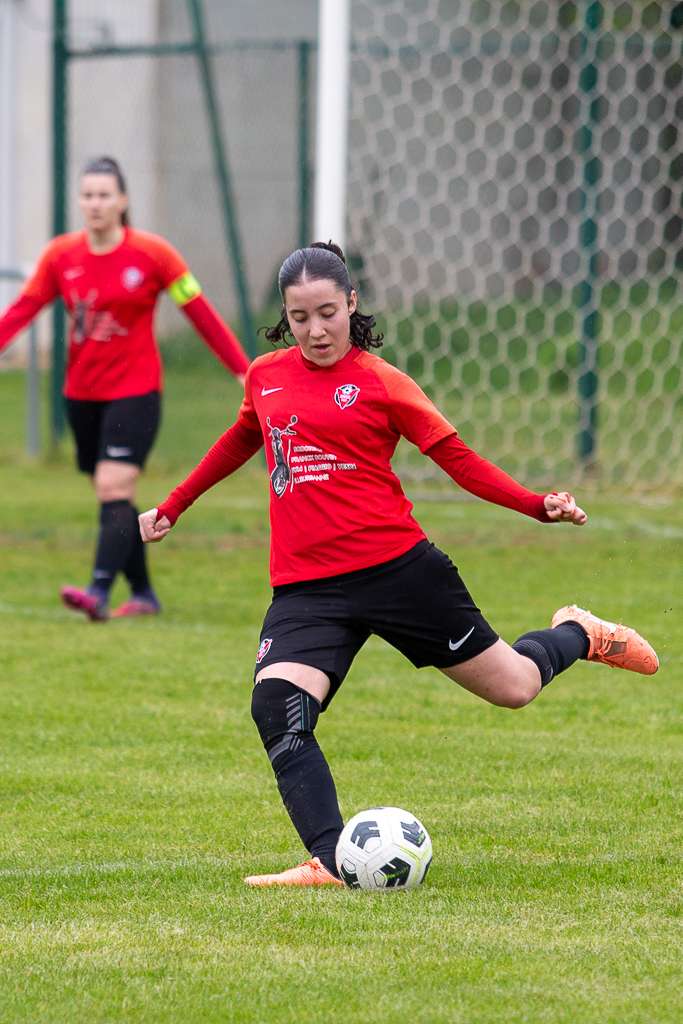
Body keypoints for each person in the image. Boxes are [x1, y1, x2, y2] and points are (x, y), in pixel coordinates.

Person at [139, 242, 658, 887]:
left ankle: (579, 632)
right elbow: (243, 436)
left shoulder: (383, 382)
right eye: (299, 318)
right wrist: (175, 505)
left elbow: (458, 458)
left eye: (327, 313)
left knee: (516, 688)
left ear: (351, 304)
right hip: (306, 587)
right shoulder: (266, 376)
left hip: (399, 573)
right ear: (285, 317)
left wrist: (535, 505)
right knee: (276, 707)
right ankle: (333, 862)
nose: (315, 330)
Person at [0, 156, 250, 621]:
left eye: (104, 194)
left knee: (112, 483)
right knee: (113, 493)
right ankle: (143, 593)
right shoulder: (60, 256)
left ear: (123, 200)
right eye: (87, 195)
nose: (94, 203)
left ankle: (98, 591)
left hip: (135, 392)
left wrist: (243, 370)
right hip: (81, 395)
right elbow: (22, 310)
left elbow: (201, 313)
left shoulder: (154, 255)